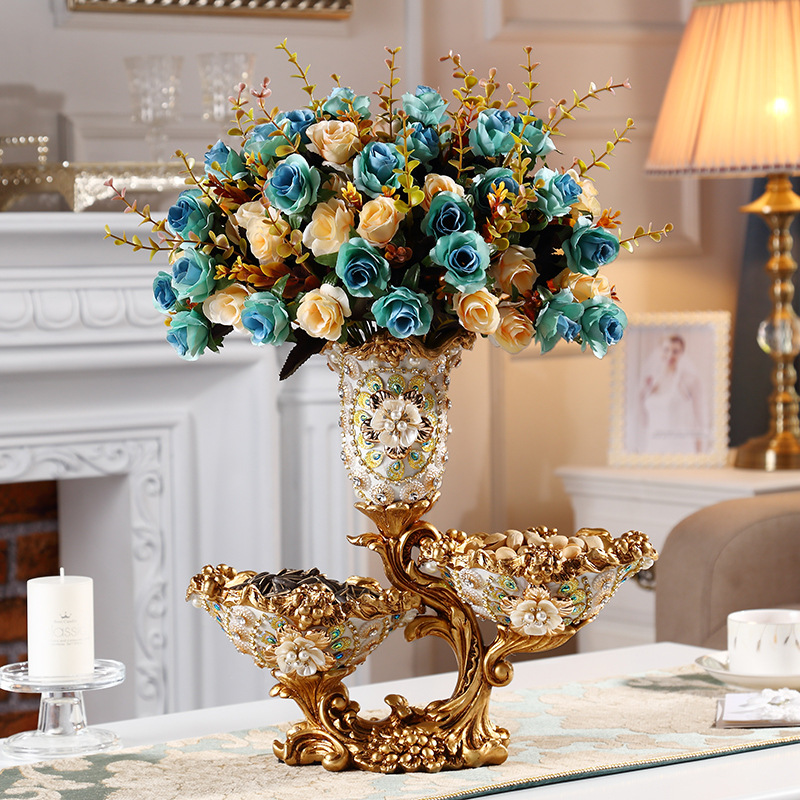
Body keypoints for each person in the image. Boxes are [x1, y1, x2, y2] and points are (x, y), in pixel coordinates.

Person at [635, 333, 708, 453]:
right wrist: (641, 394)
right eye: (666, 350)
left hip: (679, 448)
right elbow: (644, 421)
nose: (670, 355)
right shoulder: (651, 382)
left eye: (675, 351)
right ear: (660, 351)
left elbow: (700, 420)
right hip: (653, 447)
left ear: (682, 353)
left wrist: (700, 454)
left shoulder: (689, 380)